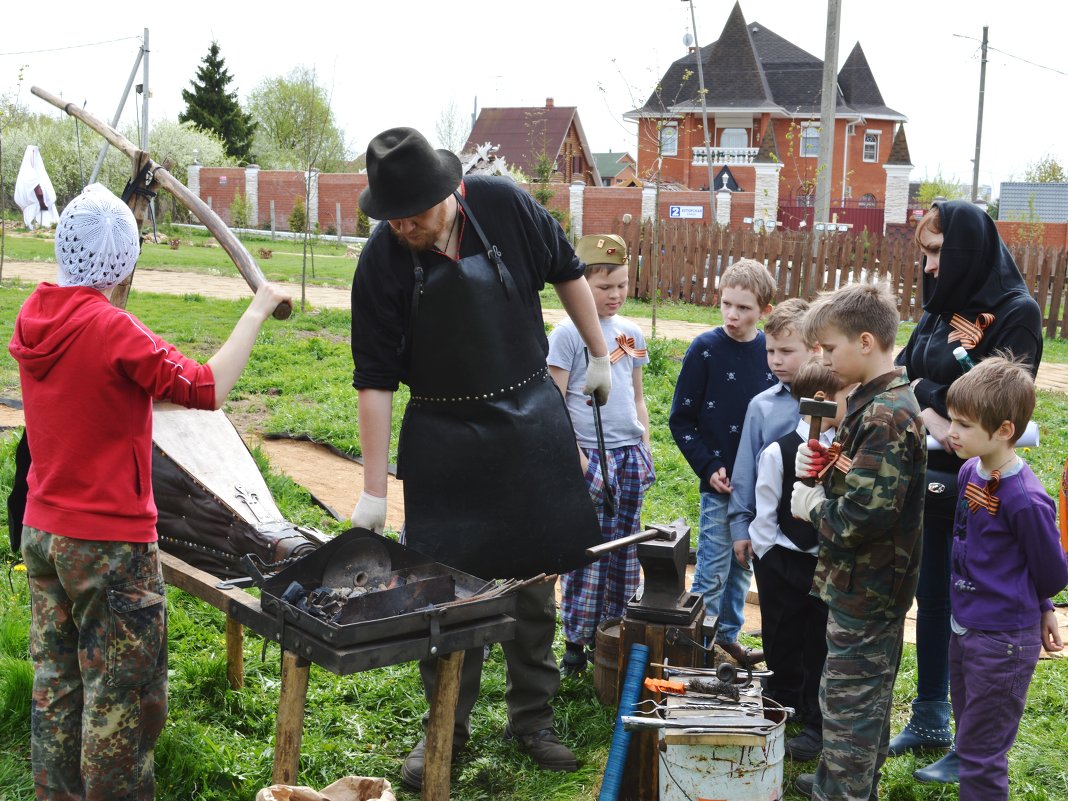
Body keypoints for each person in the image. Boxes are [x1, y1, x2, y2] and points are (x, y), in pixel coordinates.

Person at [9, 183, 290, 801]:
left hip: (44, 534)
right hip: (108, 546)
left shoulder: (36, 314)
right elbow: (208, 389)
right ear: (124, 262)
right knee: (122, 699)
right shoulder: (113, 329)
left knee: (58, 685)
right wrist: (258, 307)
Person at [348, 127, 610, 790]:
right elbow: (374, 378)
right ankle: (445, 730)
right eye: (392, 216)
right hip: (443, 436)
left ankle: (533, 720)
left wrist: (599, 349)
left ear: (447, 191)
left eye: (415, 213)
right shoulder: (381, 261)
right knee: (446, 595)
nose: (403, 225)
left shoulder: (501, 205)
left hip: (529, 424)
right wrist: (374, 490)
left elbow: (568, 269)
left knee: (533, 589)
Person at [891, 201, 1043, 766]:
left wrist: (931, 405)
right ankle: (930, 715)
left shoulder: (1015, 312)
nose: (929, 267)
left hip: (983, 490)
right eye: (925, 254)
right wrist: (938, 404)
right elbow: (904, 369)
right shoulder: (940, 307)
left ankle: (971, 738)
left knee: (974, 613)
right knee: (931, 600)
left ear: (964, 252)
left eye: (936, 253)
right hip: (930, 478)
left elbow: (1000, 400)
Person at [789, 280, 926, 801]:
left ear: (865, 342)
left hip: (870, 585)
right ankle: (836, 779)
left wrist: (813, 506)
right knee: (847, 693)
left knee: (852, 702)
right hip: (857, 583)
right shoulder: (870, 405)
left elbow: (861, 517)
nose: (822, 360)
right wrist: (821, 470)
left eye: (829, 348)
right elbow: (858, 478)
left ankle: (845, 792)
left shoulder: (887, 415)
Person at [911, 357, 1066, 796]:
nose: (950, 431)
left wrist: (1043, 603)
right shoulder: (968, 470)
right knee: (971, 733)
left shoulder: (1025, 500)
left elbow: (1050, 571)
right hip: (967, 628)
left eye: (962, 423)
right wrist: (1044, 606)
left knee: (981, 755)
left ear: (1003, 430)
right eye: (951, 419)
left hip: (1002, 640)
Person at [547, 233, 655, 676]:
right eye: (603, 286)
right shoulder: (567, 333)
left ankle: (611, 636)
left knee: (626, 552)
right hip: (589, 457)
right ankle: (576, 640)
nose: (615, 295)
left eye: (622, 285)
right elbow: (553, 403)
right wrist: (579, 461)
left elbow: (637, 396)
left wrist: (645, 444)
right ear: (581, 285)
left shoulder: (631, 332)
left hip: (629, 455)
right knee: (587, 554)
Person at [669, 258, 776, 666]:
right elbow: (681, 419)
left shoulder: (771, 352)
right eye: (727, 304)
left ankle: (728, 638)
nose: (733, 315)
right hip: (720, 485)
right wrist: (708, 465)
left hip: (758, 488)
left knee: (742, 565)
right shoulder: (704, 350)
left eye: (744, 308)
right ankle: (702, 644)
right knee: (712, 568)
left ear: (764, 310)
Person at [748, 361, 848, 764]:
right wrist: (767, 555)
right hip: (783, 558)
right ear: (817, 403)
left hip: (826, 562)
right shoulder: (779, 450)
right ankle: (784, 697)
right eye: (845, 397)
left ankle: (814, 711)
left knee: (818, 640)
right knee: (782, 632)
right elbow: (765, 508)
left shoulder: (845, 453)